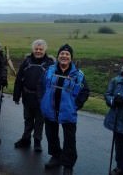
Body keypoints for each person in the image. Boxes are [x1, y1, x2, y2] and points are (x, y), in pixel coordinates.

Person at [39, 44, 90, 175]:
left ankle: (68, 164)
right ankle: (56, 157)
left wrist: (76, 105)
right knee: (51, 135)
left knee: (69, 139)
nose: (64, 56)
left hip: (68, 111)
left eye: (67, 54)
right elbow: (41, 86)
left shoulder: (78, 74)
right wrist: (42, 101)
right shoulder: (49, 70)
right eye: (62, 53)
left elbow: (85, 91)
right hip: (50, 109)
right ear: (58, 56)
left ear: (71, 58)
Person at [13, 39, 54, 152]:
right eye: (36, 49)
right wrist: (16, 95)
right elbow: (19, 79)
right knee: (28, 120)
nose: (38, 51)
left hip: (42, 100)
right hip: (27, 96)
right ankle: (26, 140)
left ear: (45, 50)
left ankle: (37, 142)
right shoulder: (27, 62)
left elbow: (53, 84)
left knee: (40, 122)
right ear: (33, 49)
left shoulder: (50, 64)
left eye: (41, 49)